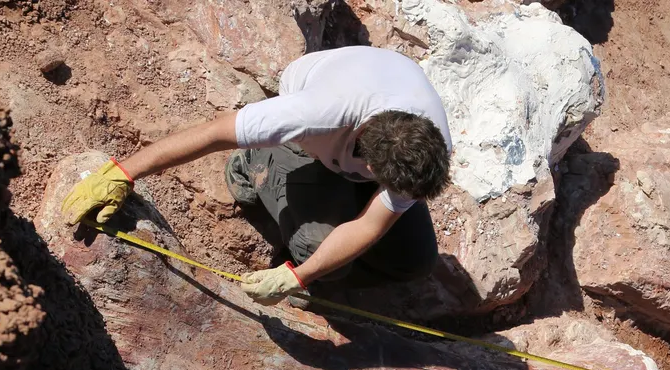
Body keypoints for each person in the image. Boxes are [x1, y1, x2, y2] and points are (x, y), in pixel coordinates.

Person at [60, 46, 452, 305]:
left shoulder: (424, 149)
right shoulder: (310, 115)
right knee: (320, 251)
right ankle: (253, 166)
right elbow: (213, 134)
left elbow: (371, 224)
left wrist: (297, 278)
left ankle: (315, 261)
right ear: (367, 158)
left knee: (414, 262)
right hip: (312, 135)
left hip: (367, 136)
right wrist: (122, 173)